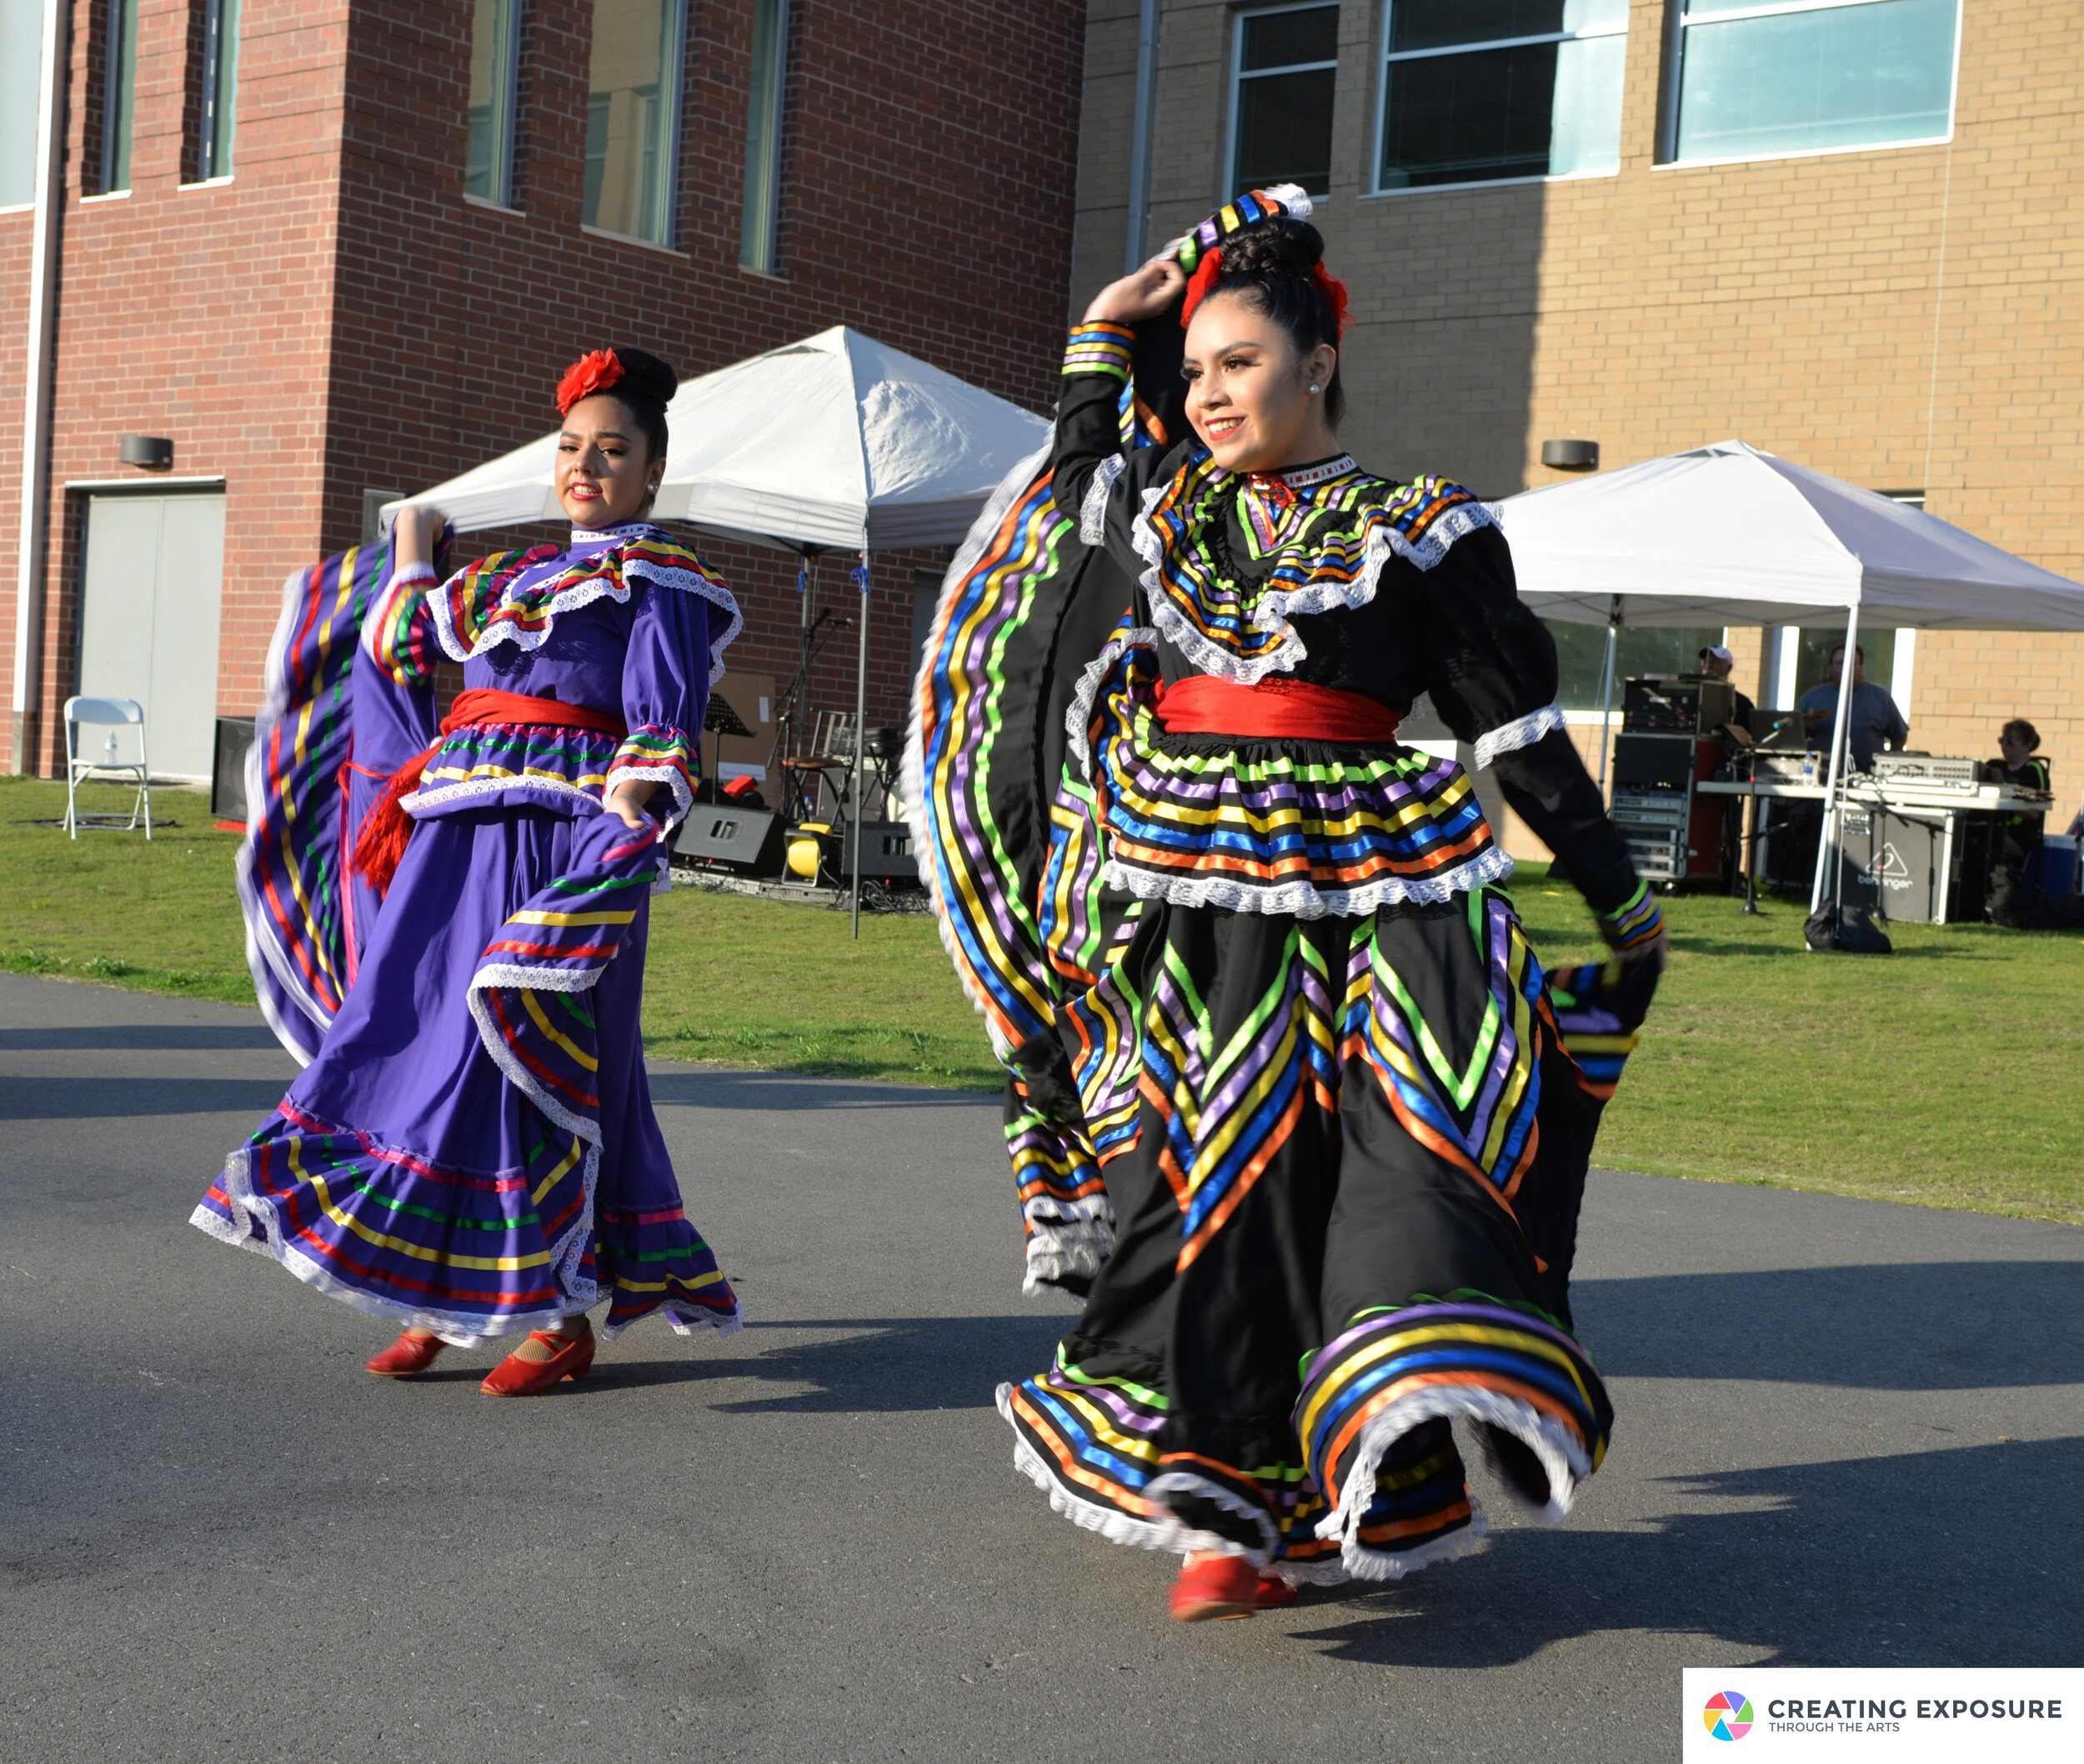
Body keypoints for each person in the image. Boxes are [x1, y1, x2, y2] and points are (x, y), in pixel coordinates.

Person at [923, 191, 1662, 1621]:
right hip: (1178, 887)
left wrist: (1622, 901)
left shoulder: (1425, 528)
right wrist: (1099, 337)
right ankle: (1227, 1485)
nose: (1207, 394)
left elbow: (1513, 731)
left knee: (1360, 1179)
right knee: (1190, 1175)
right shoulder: (1162, 510)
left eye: (1239, 363)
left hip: (1372, 896)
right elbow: (1073, 497)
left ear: (1320, 362)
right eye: (1192, 369)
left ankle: (1269, 1493)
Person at [193, 347, 744, 1394]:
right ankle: (440, 1292)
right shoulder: (507, 579)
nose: (587, 466)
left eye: (613, 451)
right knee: (430, 1052)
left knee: (541, 1067)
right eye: (572, 448)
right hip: (459, 834)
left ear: (651, 472)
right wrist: (408, 550)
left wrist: (628, 816)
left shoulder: (658, 574)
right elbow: (400, 645)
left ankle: (563, 1311)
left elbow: (661, 710)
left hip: (563, 840)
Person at [1797, 644, 1908, 772]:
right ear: (1831, 668)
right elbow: (1791, 739)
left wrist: (1887, 764)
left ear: (1861, 668)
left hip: (1867, 779)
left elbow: (1899, 735)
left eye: (1852, 663)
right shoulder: (1811, 698)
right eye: (1840, 663)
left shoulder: (1880, 697)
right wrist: (1802, 727)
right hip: (1819, 777)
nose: (1846, 668)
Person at [1991, 717, 2052, 876]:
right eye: (2002, 740)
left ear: (2027, 745)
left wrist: (2007, 799)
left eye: (2010, 741)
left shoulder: (2034, 769)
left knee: (1983, 844)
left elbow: (2034, 812)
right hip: (1990, 827)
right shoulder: (1994, 765)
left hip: (2019, 834)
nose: (2004, 745)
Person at [1698, 644, 1755, 726]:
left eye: (1715, 662)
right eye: (1706, 662)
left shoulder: (1743, 704)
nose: (1709, 666)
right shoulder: (1696, 697)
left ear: (1729, 668)